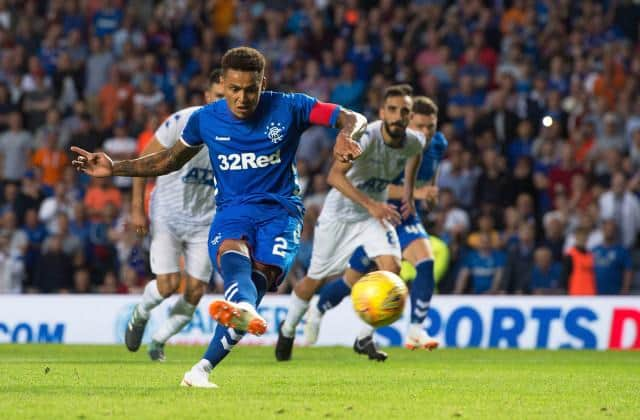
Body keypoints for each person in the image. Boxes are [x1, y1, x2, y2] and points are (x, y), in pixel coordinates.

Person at [71, 47, 365, 388]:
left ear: (262, 83)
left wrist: (347, 134)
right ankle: (239, 307)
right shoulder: (205, 119)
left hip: (281, 212)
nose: (242, 98)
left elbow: (352, 117)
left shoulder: (290, 106)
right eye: (235, 89)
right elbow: (169, 160)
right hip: (231, 210)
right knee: (232, 250)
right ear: (222, 84)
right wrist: (116, 167)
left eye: (250, 89)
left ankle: (202, 367)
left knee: (263, 275)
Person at [276, 85, 425, 362]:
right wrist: (373, 205)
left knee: (393, 270)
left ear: (409, 116)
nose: (397, 116)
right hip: (340, 216)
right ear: (382, 112)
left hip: (371, 217)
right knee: (314, 280)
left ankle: (364, 337)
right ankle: (287, 330)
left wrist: (408, 195)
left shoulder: (415, 141)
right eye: (392, 109)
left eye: (404, 111)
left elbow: (414, 157)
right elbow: (334, 177)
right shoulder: (367, 138)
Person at [122, 69, 224, 362]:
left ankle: (158, 340)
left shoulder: (239, 133)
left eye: (226, 97)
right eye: (217, 96)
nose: (222, 103)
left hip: (205, 221)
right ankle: (140, 314)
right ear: (207, 96)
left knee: (194, 292)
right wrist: (136, 209)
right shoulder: (182, 122)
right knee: (167, 285)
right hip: (167, 213)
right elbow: (143, 162)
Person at [592, 219, 633, 295]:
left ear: (615, 232)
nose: (609, 232)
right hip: (595, 293)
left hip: (615, 293)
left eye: (611, 230)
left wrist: (625, 289)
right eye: (607, 229)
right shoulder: (594, 250)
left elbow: (628, 271)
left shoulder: (622, 251)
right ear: (602, 231)